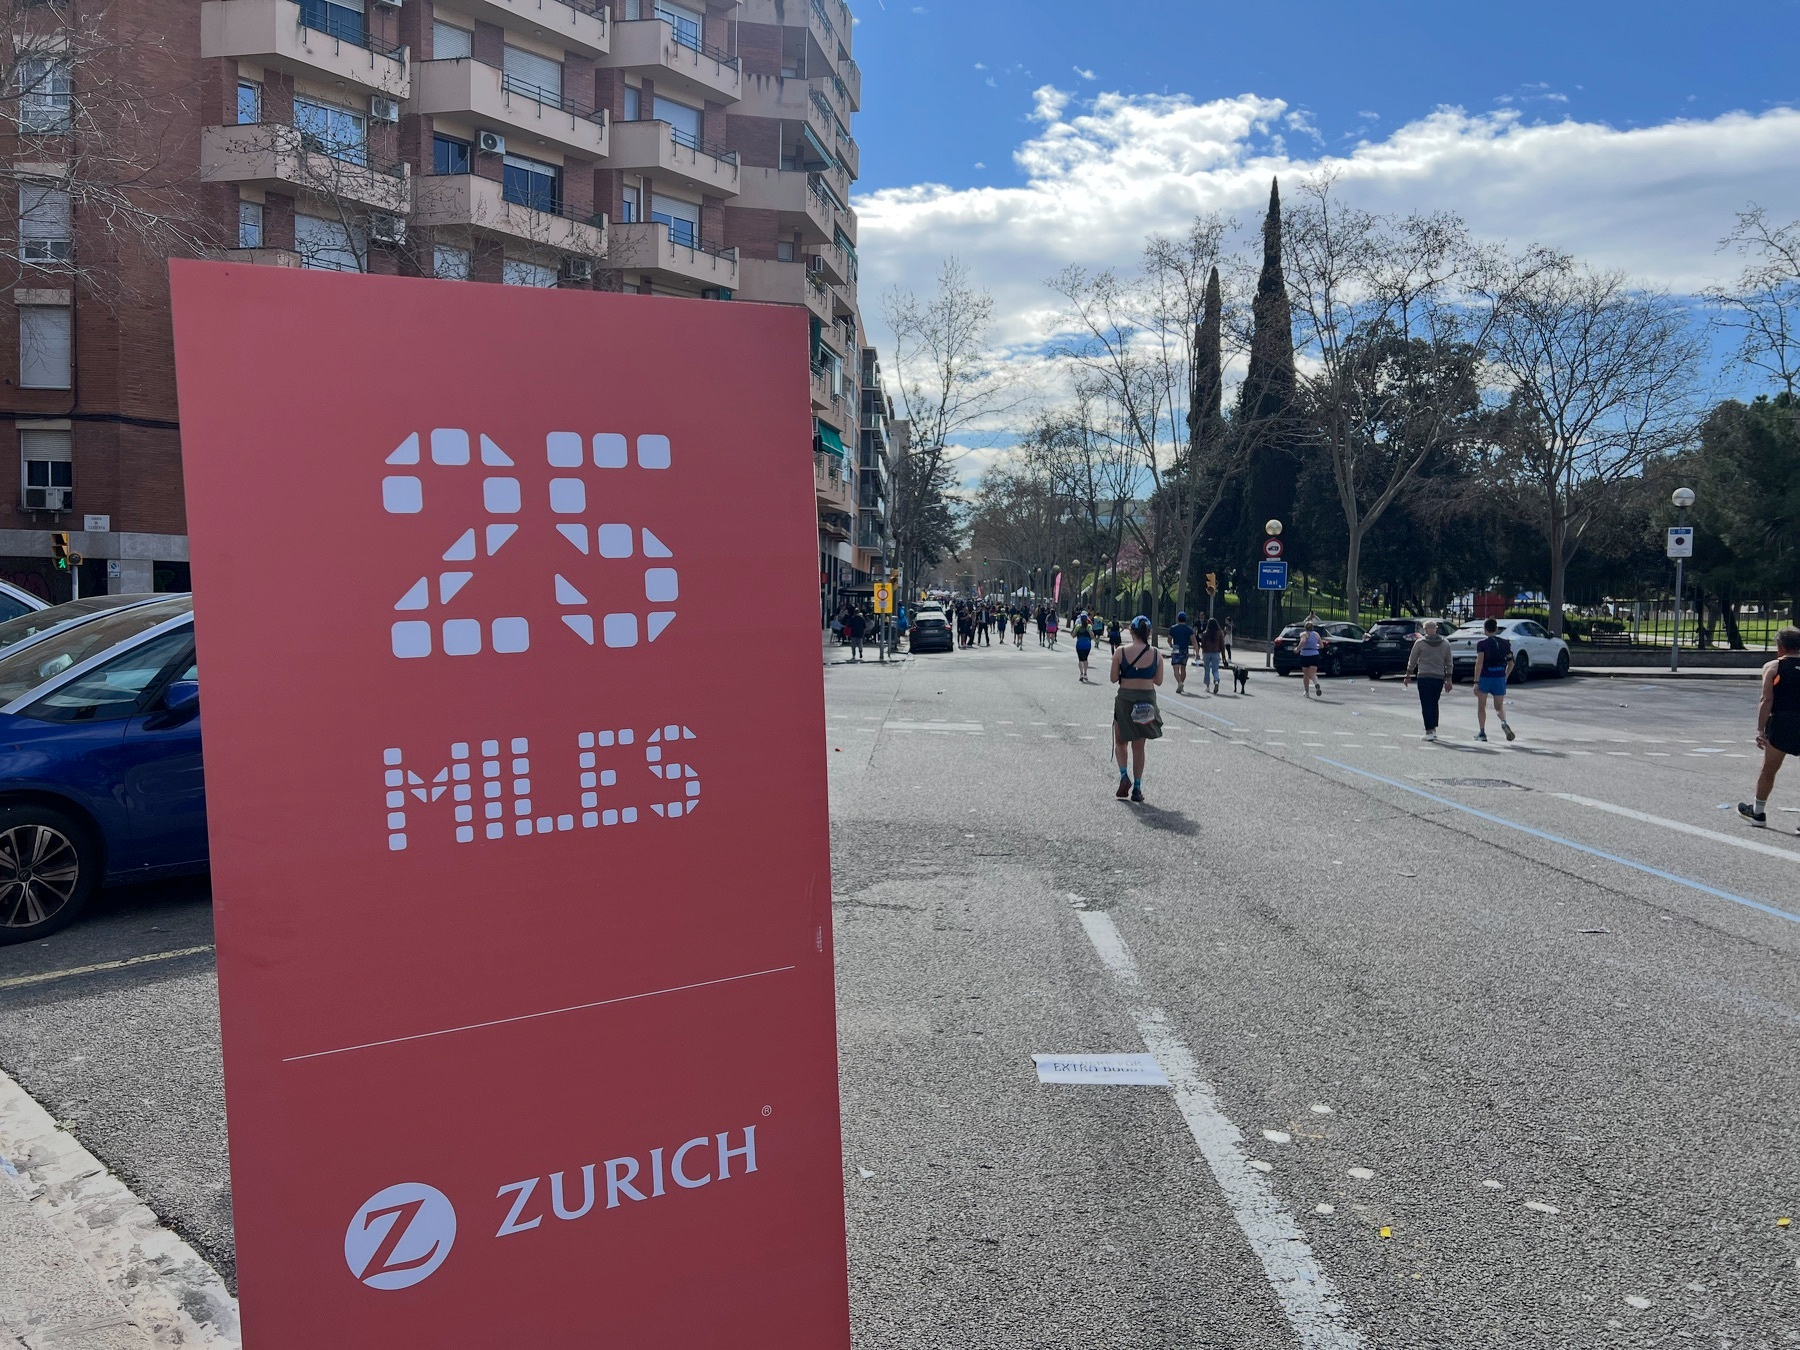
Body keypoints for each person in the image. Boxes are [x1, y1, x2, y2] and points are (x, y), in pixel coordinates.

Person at [1739, 626, 1800, 828]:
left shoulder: (1773, 667)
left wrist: (1760, 730)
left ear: (1780, 646)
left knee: (1769, 769)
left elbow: (1767, 699)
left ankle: (1758, 813)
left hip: (1782, 722)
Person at [1109, 615, 1164, 803]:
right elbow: (1158, 681)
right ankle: (1138, 788)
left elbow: (1113, 678)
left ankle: (1124, 775)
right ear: (1148, 632)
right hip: (1146, 700)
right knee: (1139, 746)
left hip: (1125, 699)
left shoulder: (1120, 652)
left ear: (1131, 631)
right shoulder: (1156, 654)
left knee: (1121, 741)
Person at [1403, 619, 1453, 741]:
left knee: (1426, 703)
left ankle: (1429, 730)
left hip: (1424, 676)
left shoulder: (1420, 643)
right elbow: (1449, 662)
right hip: (1438, 677)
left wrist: (1408, 674)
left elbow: (1412, 660)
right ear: (1436, 629)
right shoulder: (1445, 643)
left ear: (1425, 630)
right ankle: (1433, 728)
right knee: (1434, 702)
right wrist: (1448, 678)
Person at [1473, 616, 1515, 742]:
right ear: (1496, 629)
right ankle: (1503, 722)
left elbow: (1479, 663)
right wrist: (1505, 676)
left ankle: (1482, 732)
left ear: (1485, 629)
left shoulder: (1482, 644)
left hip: (1485, 677)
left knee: (1481, 706)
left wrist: (1476, 681)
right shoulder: (1505, 643)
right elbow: (1511, 663)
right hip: (1499, 677)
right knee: (1499, 707)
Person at [1168, 611, 1195, 694]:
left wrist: (1171, 645)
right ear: (1185, 619)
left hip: (1176, 648)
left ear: (1177, 619)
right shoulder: (1189, 629)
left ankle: (1179, 682)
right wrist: (1197, 652)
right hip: (1185, 649)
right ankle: (1181, 683)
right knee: (1183, 668)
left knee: (1175, 668)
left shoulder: (1173, 628)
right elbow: (1194, 641)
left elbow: (1169, 640)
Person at [1296, 618, 1323, 698]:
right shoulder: (1316, 634)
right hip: (1315, 655)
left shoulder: (1303, 634)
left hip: (1305, 655)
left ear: (1305, 628)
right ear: (1312, 628)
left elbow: (1303, 641)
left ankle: (1307, 692)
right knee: (1313, 673)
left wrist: (1298, 649)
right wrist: (1315, 647)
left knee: (1306, 674)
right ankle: (1316, 683)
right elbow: (1321, 645)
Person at [1200, 617, 1226, 695]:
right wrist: (1223, 656)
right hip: (1216, 653)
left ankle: (1207, 686)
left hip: (1206, 653)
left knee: (1207, 669)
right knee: (1215, 670)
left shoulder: (1205, 633)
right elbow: (1222, 645)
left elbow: (1202, 645)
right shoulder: (1220, 633)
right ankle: (1216, 681)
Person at [1074, 611, 1095, 682]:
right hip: (1087, 645)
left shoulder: (1078, 627)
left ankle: (1081, 674)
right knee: (1085, 659)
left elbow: (1073, 635)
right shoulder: (1089, 626)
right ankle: (1085, 673)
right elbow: (1092, 635)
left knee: (1080, 659)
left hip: (1079, 644)